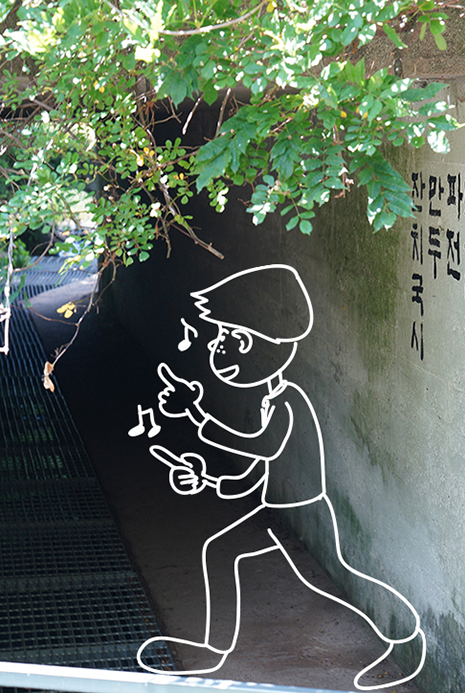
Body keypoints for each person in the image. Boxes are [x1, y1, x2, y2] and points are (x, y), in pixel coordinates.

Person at [134, 264, 425, 691]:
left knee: (338, 575)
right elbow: (258, 472)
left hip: (305, 506)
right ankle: (215, 649)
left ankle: (403, 636)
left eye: (227, 338)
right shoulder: (271, 397)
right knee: (222, 552)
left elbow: (262, 448)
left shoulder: (288, 399)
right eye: (219, 337)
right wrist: (208, 478)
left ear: (255, 342)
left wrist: (195, 414)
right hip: (278, 507)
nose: (216, 347)